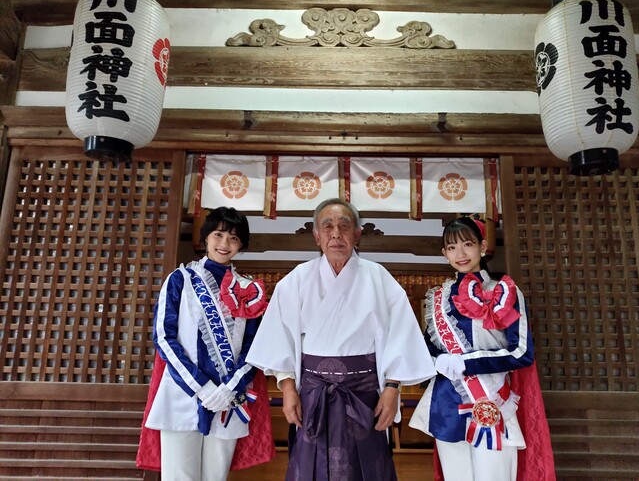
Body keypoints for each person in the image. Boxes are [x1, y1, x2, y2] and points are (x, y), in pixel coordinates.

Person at [246, 198, 435, 480]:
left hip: (365, 394)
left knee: (368, 465)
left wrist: (393, 389)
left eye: (345, 227)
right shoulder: (297, 280)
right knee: (312, 464)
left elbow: (401, 336)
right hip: (312, 393)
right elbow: (278, 338)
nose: (336, 234)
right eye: (328, 226)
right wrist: (287, 389)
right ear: (316, 236)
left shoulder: (379, 278)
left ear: (357, 234)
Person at [409, 216, 555, 481]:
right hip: (446, 403)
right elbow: (426, 348)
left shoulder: (503, 291)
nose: (461, 254)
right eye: (452, 248)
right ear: (444, 253)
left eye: (468, 244)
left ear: (483, 246)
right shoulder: (437, 297)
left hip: (492, 399)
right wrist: (438, 361)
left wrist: (466, 363)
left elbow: (522, 352)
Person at [135, 206, 275, 480]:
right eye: (218, 234)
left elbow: (255, 347)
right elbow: (164, 337)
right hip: (183, 393)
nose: (225, 244)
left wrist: (230, 388)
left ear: (241, 244)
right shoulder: (181, 280)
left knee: (215, 476)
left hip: (228, 399)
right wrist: (202, 387)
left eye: (233, 238)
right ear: (206, 238)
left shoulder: (248, 289)